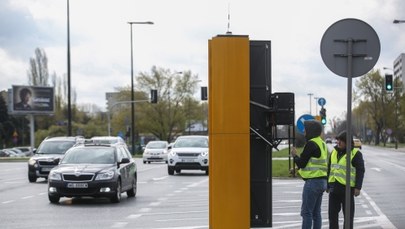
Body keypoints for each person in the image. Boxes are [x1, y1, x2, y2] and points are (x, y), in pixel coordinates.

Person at [291, 120, 328, 229]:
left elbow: (302, 163)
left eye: (306, 130)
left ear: (311, 131)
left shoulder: (311, 143)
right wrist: (297, 169)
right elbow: (313, 162)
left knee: (306, 213)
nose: (304, 133)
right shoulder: (322, 143)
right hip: (322, 182)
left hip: (312, 183)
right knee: (316, 214)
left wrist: (294, 155)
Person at [327, 131, 365, 229]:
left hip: (347, 190)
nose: (338, 142)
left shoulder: (355, 154)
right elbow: (329, 168)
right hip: (334, 189)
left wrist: (358, 187)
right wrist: (327, 184)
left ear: (348, 142)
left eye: (341, 141)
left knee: (348, 218)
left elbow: (360, 171)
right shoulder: (334, 152)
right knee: (332, 216)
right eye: (338, 140)